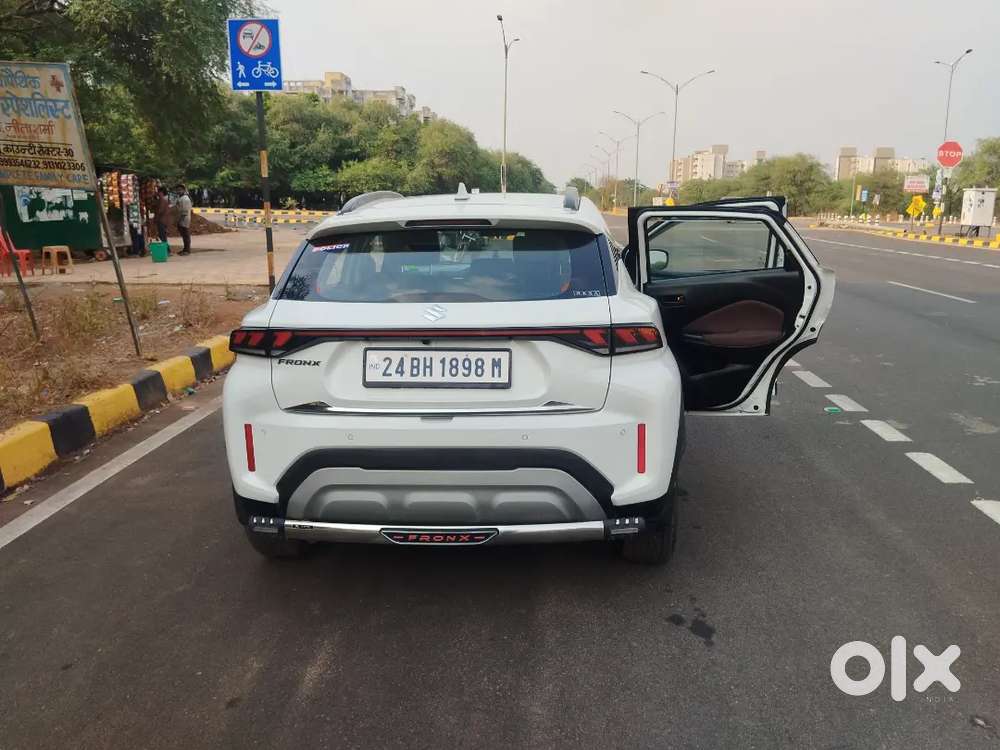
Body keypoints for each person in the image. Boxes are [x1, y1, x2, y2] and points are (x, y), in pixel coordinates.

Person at [175, 184, 192, 255]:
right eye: (177, 190)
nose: (178, 191)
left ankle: (187, 250)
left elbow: (184, 211)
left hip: (184, 219)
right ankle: (185, 249)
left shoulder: (185, 199)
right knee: (184, 235)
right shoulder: (181, 198)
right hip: (181, 218)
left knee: (186, 235)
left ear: (184, 190)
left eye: (180, 190)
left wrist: (178, 219)